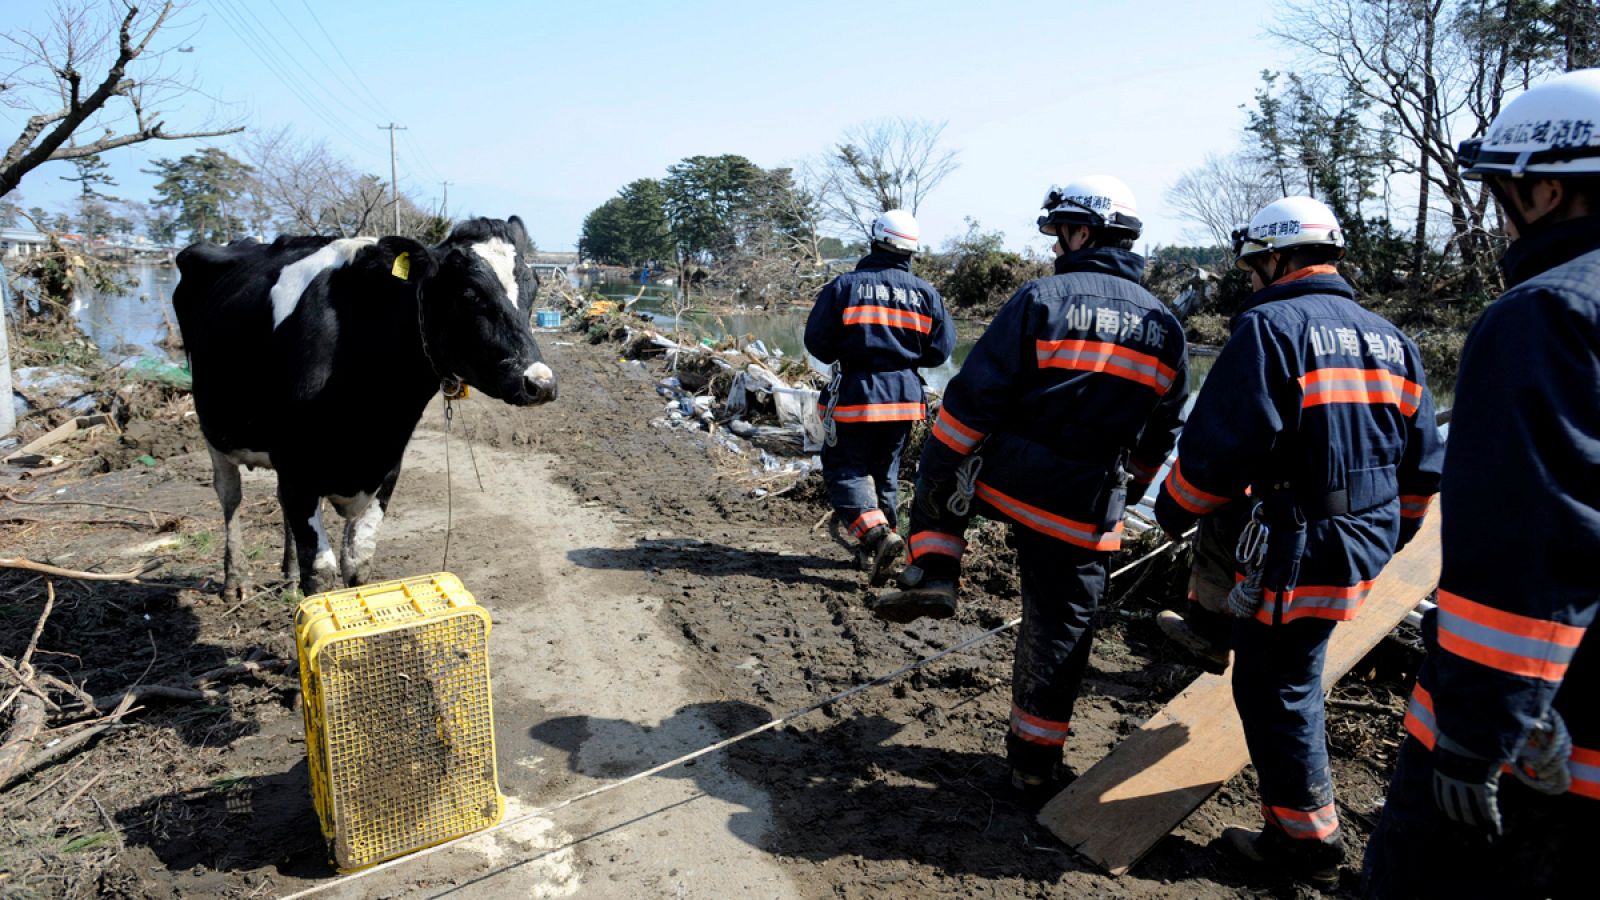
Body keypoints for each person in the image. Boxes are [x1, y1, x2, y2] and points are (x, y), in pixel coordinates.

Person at [1152, 195, 1445, 888]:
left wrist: (1170, 512)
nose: (1253, 279)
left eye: (1257, 266)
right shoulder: (1389, 338)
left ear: (1277, 259)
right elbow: (1423, 462)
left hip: (1299, 542)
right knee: (1289, 666)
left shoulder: (1270, 328)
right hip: (1361, 535)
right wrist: (1389, 534)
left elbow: (1216, 452)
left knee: (1275, 684)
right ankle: (1210, 624)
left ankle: (1303, 839)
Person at [1360, 69, 1600, 899]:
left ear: (1543, 192)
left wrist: (1476, 737)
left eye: (1502, 195)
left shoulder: (1547, 313)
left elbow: (1527, 550)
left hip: (1545, 747)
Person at [872, 176, 1188, 803]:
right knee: (1064, 626)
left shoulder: (1042, 298)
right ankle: (1034, 764)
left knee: (949, 451)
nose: (1054, 248)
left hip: (1007, 480)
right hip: (1087, 504)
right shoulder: (1168, 327)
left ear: (1083, 232)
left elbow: (975, 396)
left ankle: (935, 570)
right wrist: (1132, 492)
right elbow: (1163, 432)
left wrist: (937, 466)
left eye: (1059, 234)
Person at [805, 209, 954, 585]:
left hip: (859, 393)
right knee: (885, 476)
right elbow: (940, 352)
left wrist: (858, 349)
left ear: (874, 240)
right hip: (905, 397)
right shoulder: (927, 294)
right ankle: (883, 552)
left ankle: (875, 537)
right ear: (910, 251)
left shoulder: (844, 287)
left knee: (844, 469)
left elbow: (817, 344)